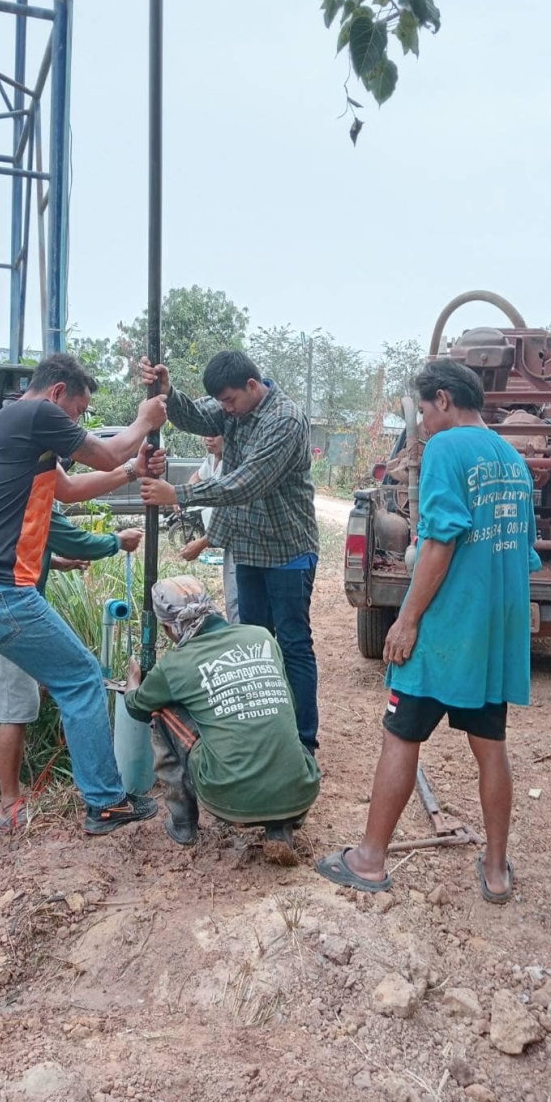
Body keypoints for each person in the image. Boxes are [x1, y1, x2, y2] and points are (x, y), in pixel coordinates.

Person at [0, 353, 168, 865]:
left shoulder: (12, 424)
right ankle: (105, 803)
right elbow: (106, 455)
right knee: (81, 679)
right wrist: (143, 422)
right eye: (79, 412)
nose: (78, 424)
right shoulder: (39, 415)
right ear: (57, 393)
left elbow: (67, 489)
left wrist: (130, 470)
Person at [316, 360, 541, 903]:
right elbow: (522, 553)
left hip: (442, 632)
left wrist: (407, 618)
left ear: (443, 399)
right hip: (490, 637)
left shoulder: (445, 450)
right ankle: (494, 870)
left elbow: (439, 542)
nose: (422, 423)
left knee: (401, 735)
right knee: (491, 747)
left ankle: (369, 861)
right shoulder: (514, 462)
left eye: (422, 410)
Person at [138, 351, 321, 753]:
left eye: (229, 400)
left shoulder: (284, 421)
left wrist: (180, 493)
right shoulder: (233, 410)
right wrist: (169, 393)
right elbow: (195, 417)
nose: (225, 409)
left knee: (292, 644)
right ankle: (262, 731)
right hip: (249, 550)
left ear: (252, 386)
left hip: (288, 550)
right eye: (221, 402)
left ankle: (304, 742)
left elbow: (247, 483)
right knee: (254, 645)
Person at [0, 495, 149, 828]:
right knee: (19, 702)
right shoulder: (35, 488)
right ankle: (11, 803)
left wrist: (57, 563)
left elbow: (15, 547)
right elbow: (78, 540)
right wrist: (117, 541)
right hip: (11, 606)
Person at [123, 576, 321, 864]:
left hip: (230, 798)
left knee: (162, 710)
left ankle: (183, 824)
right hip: (301, 789)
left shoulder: (175, 665)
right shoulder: (261, 637)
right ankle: (280, 826)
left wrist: (133, 684)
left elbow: (138, 708)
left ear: (168, 629)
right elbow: (288, 707)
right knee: (271, 717)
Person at [176, 435, 239, 623]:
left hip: (240, 542)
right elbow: (198, 477)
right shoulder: (212, 458)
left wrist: (201, 544)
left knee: (237, 601)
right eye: (205, 434)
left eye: (214, 434)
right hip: (228, 544)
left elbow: (229, 514)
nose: (207, 439)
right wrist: (183, 495)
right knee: (233, 599)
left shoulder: (234, 463)